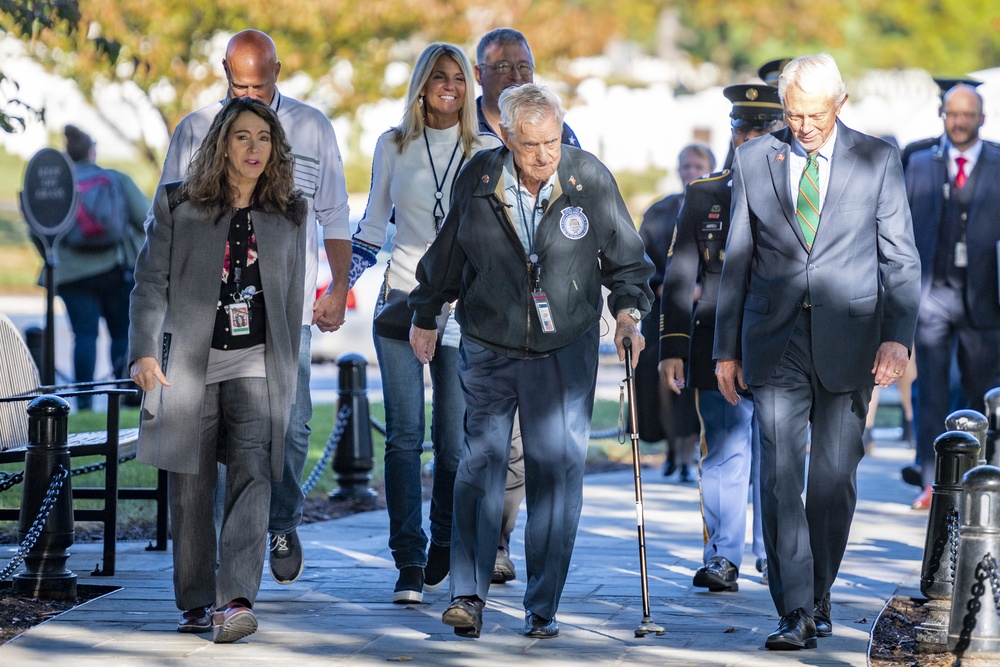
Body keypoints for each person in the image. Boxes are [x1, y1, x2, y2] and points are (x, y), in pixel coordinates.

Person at [409, 83, 653, 639]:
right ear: (504, 135)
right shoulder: (479, 179)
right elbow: (447, 255)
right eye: (530, 145)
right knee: (480, 465)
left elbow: (628, 263)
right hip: (490, 342)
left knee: (557, 473)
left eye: (552, 141)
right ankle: (467, 595)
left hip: (563, 348)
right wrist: (425, 312)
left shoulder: (587, 178)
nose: (544, 156)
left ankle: (541, 606)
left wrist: (628, 314)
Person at [714, 54, 920, 651]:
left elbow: (899, 259)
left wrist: (896, 337)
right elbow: (737, 258)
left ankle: (820, 589)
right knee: (779, 475)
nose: (801, 126)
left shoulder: (877, 158)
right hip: (773, 340)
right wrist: (725, 348)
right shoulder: (756, 159)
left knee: (834, 480)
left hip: (851, 338)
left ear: (842, 105)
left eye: (814, 115)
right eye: (792, 114)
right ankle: (795, 608)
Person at [158, 29, 351, 585]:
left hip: (285, 310)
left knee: (288, 429)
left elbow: (334, 214)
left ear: (279, 73)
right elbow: (166, 220)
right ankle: (224, 558)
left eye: (260, 87)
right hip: (207, 314)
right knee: (212, 435)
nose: (250, 94)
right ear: (223, 71)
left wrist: (336, 289)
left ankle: (281, 520)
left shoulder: (313, 127)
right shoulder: (194, 130)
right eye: (238, 84)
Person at [128, 97, 308, 643]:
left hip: (256, 364)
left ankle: (236, 600)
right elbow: (150, 282)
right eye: (242, 137)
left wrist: (287, 370)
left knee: (255, 475)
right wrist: (142, 350)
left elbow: (293, 299)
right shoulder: (178, 204)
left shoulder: (288, 212)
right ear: (221, 144)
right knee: (191, 486)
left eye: (264, 138)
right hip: (188, 364)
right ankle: (195, 600)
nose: (254, 149)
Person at [348, 43, 501, 604]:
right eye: (438, 76)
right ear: (420, 84)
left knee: (454, 444)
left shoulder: (486, 149)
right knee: (405, 439)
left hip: (464, 312)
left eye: (458, 77)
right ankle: (408, 559)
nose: (450, 86)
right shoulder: (393, 145)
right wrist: (338, 289)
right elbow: (369, 228)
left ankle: (442, 539)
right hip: (403, 304)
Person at [660, 83, 784, 593]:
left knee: (778, 457)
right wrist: (671, 346)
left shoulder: (800, 190)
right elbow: (678, 274)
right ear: (733, 134)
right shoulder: (705, 194)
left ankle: (776, 554)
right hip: (716, 344)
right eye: (743, 128)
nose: (750, 137)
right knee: (725, 454)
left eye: (762, 128)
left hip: (781, 345)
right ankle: (722, 557)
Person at [473, 26, 582, 585]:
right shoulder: (461, 136)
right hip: (484, 318)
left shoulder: (568, 141)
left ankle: (520, 554)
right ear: (479, 74)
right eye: (504, 67)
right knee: (488, 446)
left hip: (552, 326)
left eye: (524, 65)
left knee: (540, 450)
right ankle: (480, 547)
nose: (516, 75)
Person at [906, 83, 1000, 510]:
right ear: (942, 115)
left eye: (967, 114)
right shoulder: (921, 162)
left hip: (984, 298)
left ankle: (983, 477)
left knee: (984, 391)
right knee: (932, 391)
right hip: (933, 296)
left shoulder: (999, 163)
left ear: (981, 118)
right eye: (952, 114)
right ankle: (931, 480)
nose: (959, 122)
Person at [50, 125, 148, 408]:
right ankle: (124, 396)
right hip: (114, 270)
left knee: (83, 335)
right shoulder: (114, 178)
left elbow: (39, 228)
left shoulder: (60, 185)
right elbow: (145, 216)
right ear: (92, 150)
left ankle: (82, 403)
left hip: (72, 274)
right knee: (121, 334)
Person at [638, 145, 714, 481]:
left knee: (695, 383)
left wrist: (703, 289)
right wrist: (658, 285)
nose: (690, 172)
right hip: (664, 309)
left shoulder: (720, 205)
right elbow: (642, 258)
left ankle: (689, 451)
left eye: (698, 165)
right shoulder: (659, 211)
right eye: (685, 166)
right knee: (664, 382)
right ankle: (673, 449)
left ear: (710, 168)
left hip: (706, 311)